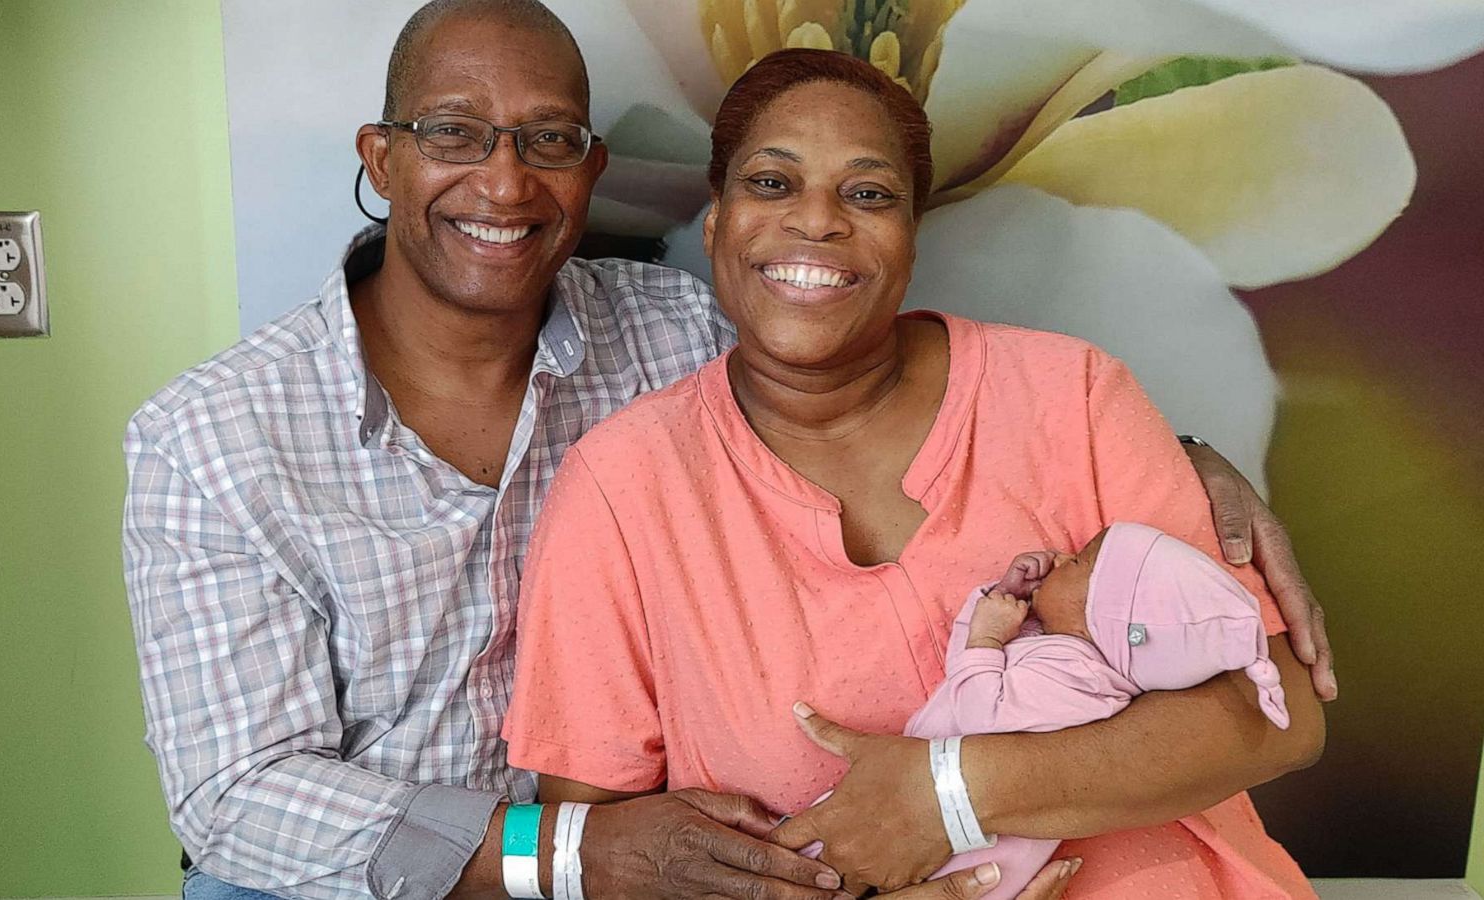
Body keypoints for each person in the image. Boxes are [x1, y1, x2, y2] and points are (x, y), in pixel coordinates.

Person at [122, 3, 1332, 898]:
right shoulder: (213, 441)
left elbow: (851, 343)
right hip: (378, 867)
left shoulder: (669, 328)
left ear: (595, 172)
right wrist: (575, 853)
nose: (503, 178)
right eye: (453, 132)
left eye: (547, 140)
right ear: (377, 158)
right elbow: (236, 801)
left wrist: (1185, 467)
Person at [502, 48, 1324, 899]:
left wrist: (951, 795)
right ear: (715, 223)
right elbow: (611, 849)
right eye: (773, 183)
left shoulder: (1072, 396)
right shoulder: (620, 486)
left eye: (868, 194)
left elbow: (1276, 715)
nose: (817, 220)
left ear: (911, 236)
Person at [822, 521, 1294, 900]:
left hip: (966, 853)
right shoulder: (1064, 654)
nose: (1063, 555)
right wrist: (1005, 599)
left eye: (1082, 561)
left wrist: (988, 639)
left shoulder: (1081, 683)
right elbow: (964, 672)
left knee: (824, 860)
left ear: (1103, 617)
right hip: (927, 814)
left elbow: (979, 713)